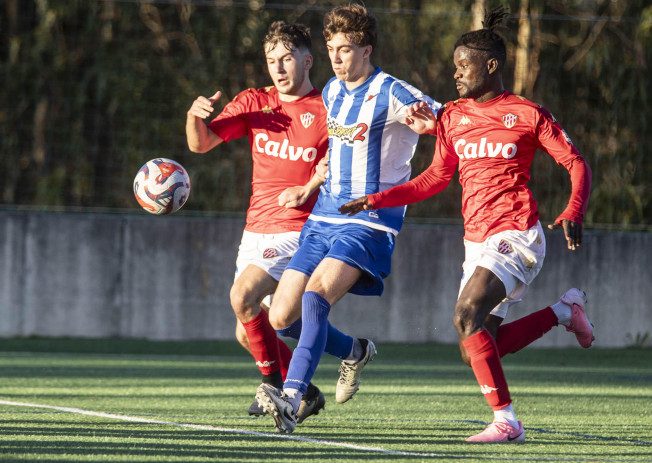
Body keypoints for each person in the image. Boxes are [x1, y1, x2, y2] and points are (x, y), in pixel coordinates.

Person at [339, 6, 594, 443]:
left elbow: (575, 163)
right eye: (454, 66)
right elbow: (435, 178)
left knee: (465, 314)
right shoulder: (453, 117)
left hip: (518, 234)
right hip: (476, 242)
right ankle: (562, 312)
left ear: (491, 66)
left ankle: (507, 422)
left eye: (463, 66)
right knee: (475, 343)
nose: (455, 74)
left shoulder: (528, 113)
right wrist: (378, 199)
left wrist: (573, 209)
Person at [255, 3, 440, 434]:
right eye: (332, 49)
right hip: (323, 217)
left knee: (316, 297)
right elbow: (336, 153)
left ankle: (292, 395)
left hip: (369, 223)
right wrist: (307, 188)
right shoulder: (332, 92)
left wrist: (430, 126)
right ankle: (354, 351)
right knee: (281, 316)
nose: (336, 59)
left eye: (345, 49)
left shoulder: (393, 91)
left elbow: (444, 119)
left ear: (367, 50)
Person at [185, 21, 330, 424]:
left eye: (287, 59)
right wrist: (195, 116)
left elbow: (345, 159)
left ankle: (277, 393)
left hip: (295, 228)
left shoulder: (327, 107)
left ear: (307, 60)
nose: (278, 68)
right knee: (245, 331)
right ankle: (310, 391)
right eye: (271, 61)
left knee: (241, 296)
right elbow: (201, 144)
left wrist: (313, 183)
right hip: (255, 229)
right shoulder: (254, 102)